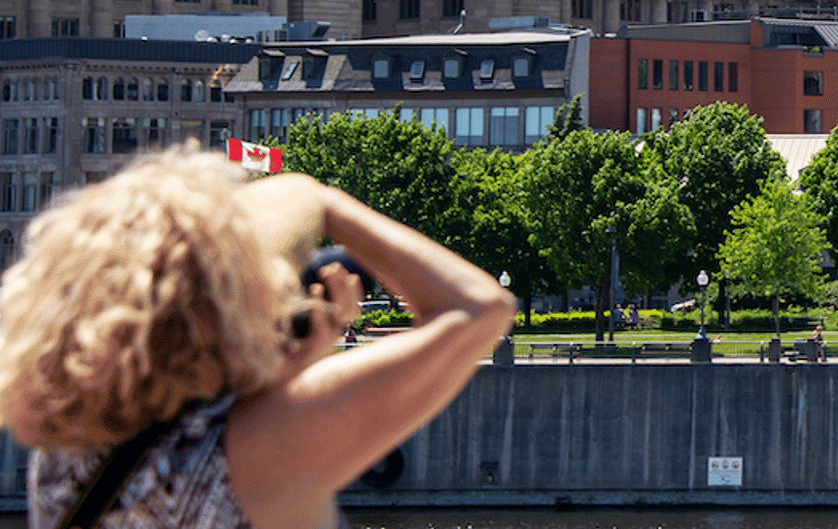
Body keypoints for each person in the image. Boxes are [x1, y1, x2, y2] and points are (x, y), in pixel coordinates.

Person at [0, 148, 516, 529]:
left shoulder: (61, 444)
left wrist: (289, 366)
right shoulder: (253, 455)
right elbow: (480, 308)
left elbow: (179, 417)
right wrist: (323, 203)